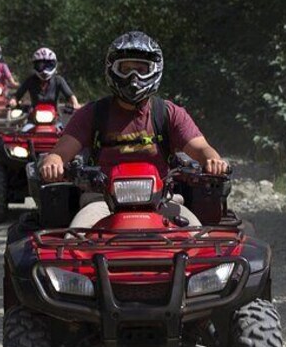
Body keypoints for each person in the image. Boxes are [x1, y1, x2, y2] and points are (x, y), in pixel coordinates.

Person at [38, 30, 229, 228]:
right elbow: (60, 153)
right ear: (112, 69)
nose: (134, 77)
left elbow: (201, 148)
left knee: (198, 240)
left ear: (155, 70)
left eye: (141, 69)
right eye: (126, 68)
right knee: (73, 243)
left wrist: (212, 159)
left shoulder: (169, 113)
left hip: (162, 200)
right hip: (101, 202)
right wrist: (53, 162)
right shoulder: (92, 113)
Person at [9, 47, 81, 110]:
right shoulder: (30, 80)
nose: (44, 70)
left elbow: (70, 95)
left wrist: (75, 104)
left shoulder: (58, 80)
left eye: (48, 65)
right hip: (33, 118)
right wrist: (13, 102)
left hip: (55, 118)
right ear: (35, 66)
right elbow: (17, 95)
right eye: (40, 66)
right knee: (26, 126)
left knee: (63, 126)